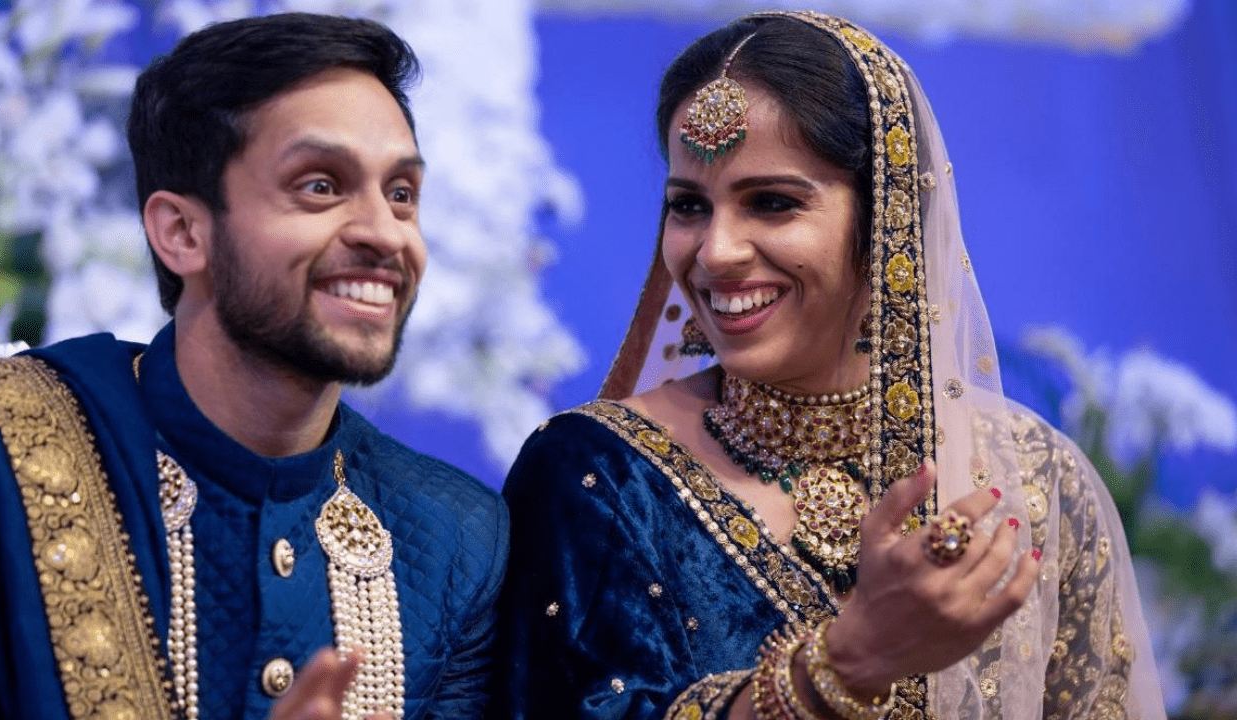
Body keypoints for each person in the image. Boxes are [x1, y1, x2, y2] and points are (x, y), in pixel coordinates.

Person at [490, 10, 1164, 720]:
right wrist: (844, 666)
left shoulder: (1031, 483)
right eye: (688, 206)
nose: (714, 251)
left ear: (886, 222)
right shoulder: (599, 475)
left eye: (772, 203)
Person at [0, 13, 507, 720]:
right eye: (320, 185)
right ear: (183, 232)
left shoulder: (454, 538)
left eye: (401, 193)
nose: (382, 232)